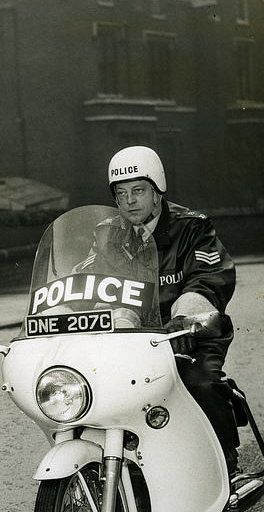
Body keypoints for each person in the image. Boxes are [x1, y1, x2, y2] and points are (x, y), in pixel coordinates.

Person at [96, 145, 241, 477]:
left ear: (157, 192)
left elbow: (209, 277)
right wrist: (60, 307)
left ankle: (225, 464)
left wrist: (188, 316)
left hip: (188, 335)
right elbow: (88, 279)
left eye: (138, 190)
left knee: (200, 383)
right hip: (131, 339)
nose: (130, 200)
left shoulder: (192, 228)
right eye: (122, 193)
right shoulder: (106, 234)